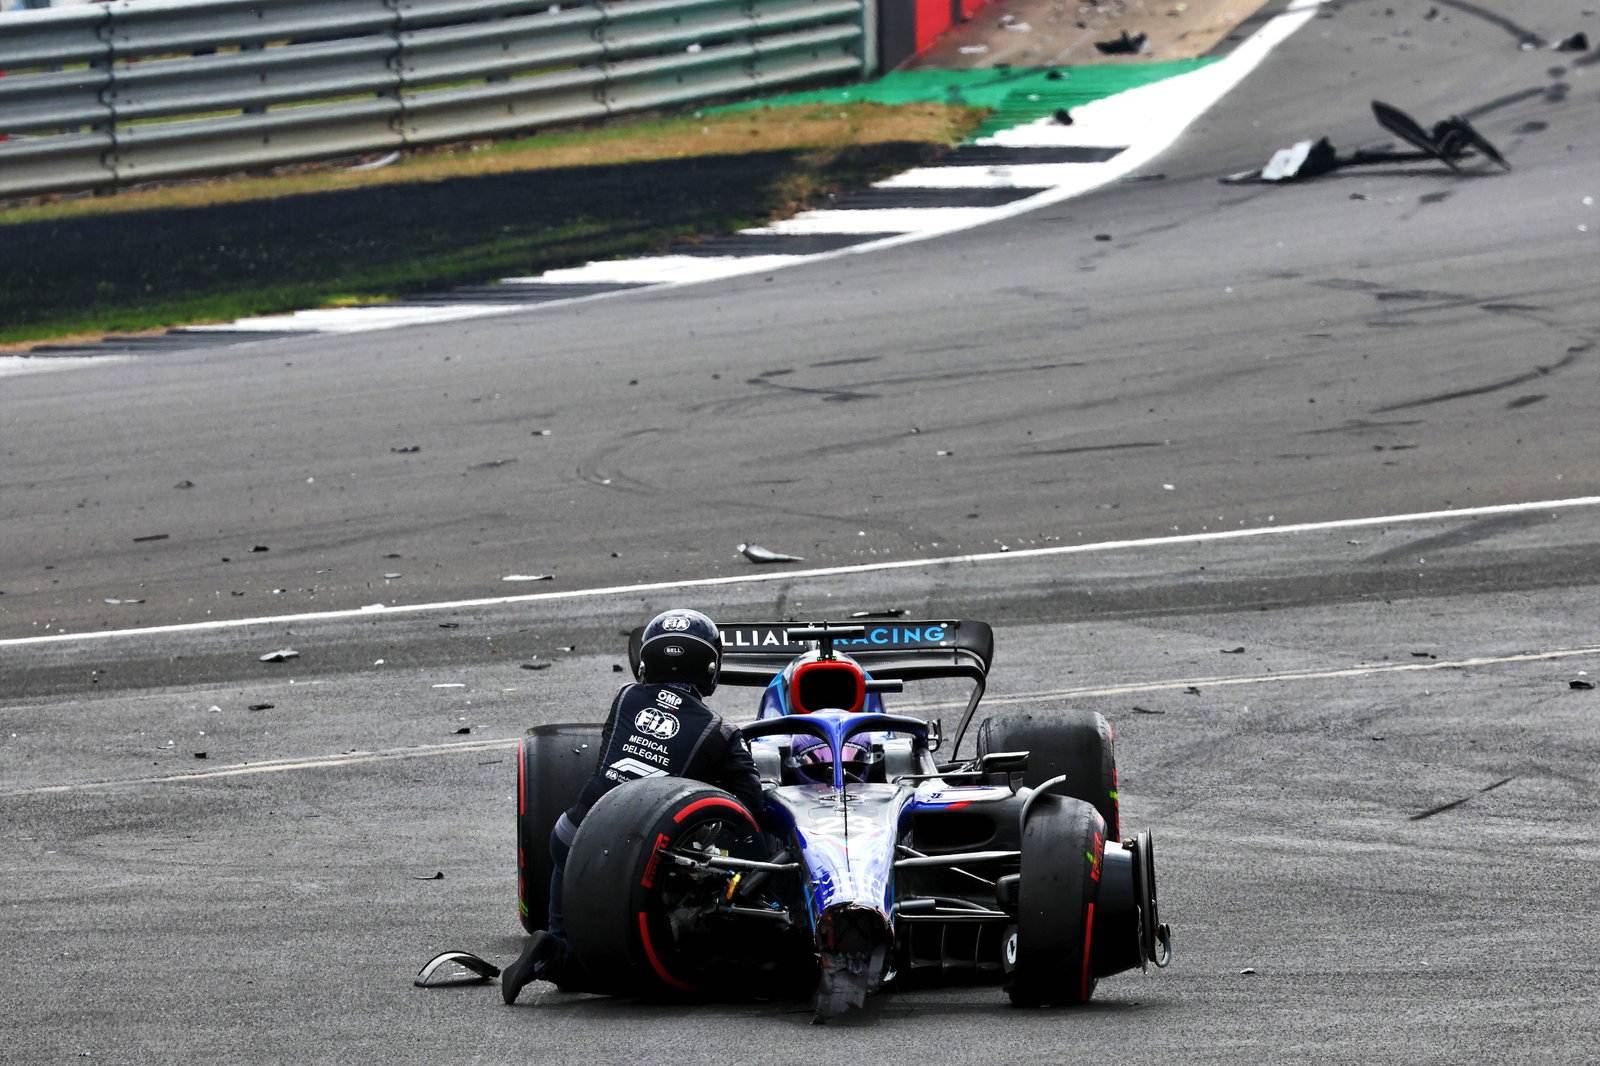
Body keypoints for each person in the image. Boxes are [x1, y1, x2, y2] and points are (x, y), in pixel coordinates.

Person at [501, 608, 763, 1003]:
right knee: (623, 978)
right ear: (710, 668)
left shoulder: (625, 697)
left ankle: (549, 948)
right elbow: (749, 809)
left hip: (572, 834)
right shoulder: (722, 732)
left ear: (645, 664)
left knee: (570, 958)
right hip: (629, 858)